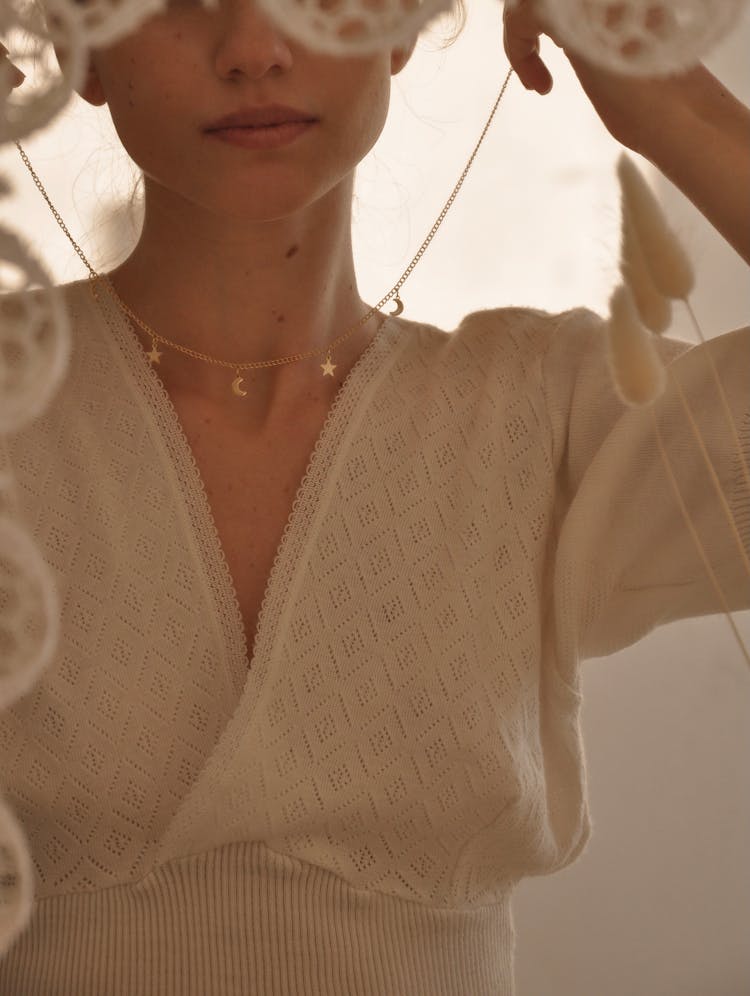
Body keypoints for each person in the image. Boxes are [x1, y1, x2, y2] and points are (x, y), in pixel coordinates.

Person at [0, 1, 747, 993]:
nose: (253, 50)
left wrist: (671, 102)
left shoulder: (543, 414)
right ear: (76, 46)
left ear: (403, 24)